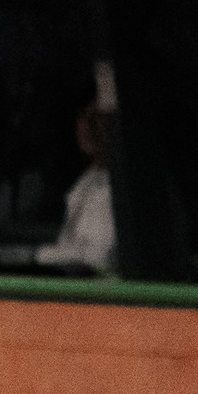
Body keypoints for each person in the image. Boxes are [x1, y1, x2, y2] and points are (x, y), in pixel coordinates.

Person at [20, 102, 115, 276]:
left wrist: (37, 255)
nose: (88, 125)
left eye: (98, 119)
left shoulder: (112, 189)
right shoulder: (89, 178)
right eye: (84, 115)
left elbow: (96, 258)